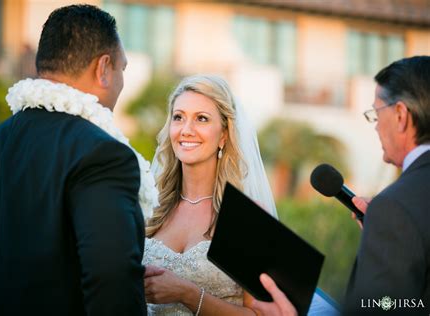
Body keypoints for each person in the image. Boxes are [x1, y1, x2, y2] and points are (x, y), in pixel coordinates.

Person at [0, 4, 151, 315]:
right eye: (121, 69)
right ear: (103, 69)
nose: (121, 83)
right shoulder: (103, 156)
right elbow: (112, 283)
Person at [252, 56, 430, 315]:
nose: (377, 127)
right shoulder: (395, 212)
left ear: (401, 115)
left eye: (377, 114)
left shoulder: (394, 208)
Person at [142, 74, 278, 315]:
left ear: (224, 135)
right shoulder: (151, 207)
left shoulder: (247, 217)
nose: (186, 130)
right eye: (178, 117)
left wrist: (188, 294)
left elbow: (266, 315)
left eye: (201, 119)